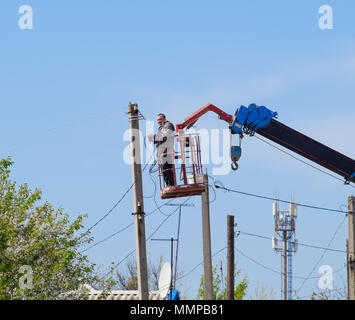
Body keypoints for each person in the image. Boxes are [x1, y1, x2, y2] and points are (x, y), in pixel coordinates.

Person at [148, 113, 175, 186]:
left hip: (167, 152)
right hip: (162, 153)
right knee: (164, 171)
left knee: (168, 170)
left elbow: (164, 135)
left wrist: (154, 138)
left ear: (164, 119)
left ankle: (171, 185)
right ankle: (169, 185)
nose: (158, 121)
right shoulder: (161, 128)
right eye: (157, 120)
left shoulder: (168, 125)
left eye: (160, 119)